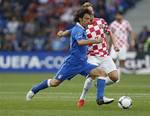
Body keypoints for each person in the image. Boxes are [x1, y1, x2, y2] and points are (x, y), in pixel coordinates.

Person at [26, 8, 114, 105]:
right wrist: (95, 41)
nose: (89, 21)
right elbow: (80, 42)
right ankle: (34, 90)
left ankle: (100, 98)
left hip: (83, 63)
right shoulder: (78, 29)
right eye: (87, 19)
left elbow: (69, 31)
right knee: (55, 83)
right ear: (80, 19)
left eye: (89, 19)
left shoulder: (81, 28)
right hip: (72, 63)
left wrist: (63, 33)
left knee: (102, 73)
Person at [57, 2, 120, 107]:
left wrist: (115, 45)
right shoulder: (83, 25)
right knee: (92, 75)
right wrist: (63, 33)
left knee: (115, 77)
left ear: (93, 12)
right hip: (91, 55)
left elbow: (110, 33)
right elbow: (72, 30)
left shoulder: (101, 21)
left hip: (104, 54)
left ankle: (100, 83)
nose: (90, 13)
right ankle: (82, 98)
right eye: (88, 11)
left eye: (91, 11)